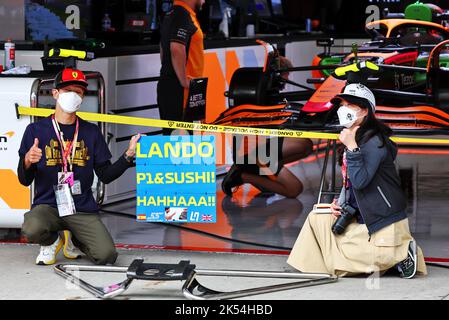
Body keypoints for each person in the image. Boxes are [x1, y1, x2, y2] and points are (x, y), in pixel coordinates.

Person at [287, 83, 427, 278]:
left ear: (365, 111)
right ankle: (321, 264)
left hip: (382, 220)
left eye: (350, 104)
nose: (343, 109)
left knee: (340, 264)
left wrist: (351, 148)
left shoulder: (374, 141)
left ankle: (401, 254)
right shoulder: (354, 137)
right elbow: (350, 182)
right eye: (342, 104)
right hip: (363, 215)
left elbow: (361, 181)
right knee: (316, 217)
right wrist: (340, 203)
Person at [18, 68, 140, 266]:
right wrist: (28, 161)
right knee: (32, 228)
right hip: (48, 206)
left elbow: (106, 175)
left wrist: (127, 156)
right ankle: (52, 241)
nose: (73, 96)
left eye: (79, 92)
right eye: (68, 91)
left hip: (81, 208)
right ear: (55, 93)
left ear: (83, 98)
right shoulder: (36, 130)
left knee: (106, 255)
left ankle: (75, 239)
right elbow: (24, 180)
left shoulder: (90, 132)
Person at [221, 56, 313, 198]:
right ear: (279, 75)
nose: (287, 78)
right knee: (295, 189)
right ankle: (242, 176)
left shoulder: (265, 94)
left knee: (305, 144)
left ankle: (264, 176)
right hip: (251, 154)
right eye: (286, 74)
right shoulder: (259, 97)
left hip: (257, 149)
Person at [158, 0, 205, 134]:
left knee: (174, 144)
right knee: (182, 147)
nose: (204, 1)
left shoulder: (171, 14)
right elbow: (176, 48)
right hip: (181, 92)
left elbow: (162, 47)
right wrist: (183, 80)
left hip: (171, 87)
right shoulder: (183, 15)